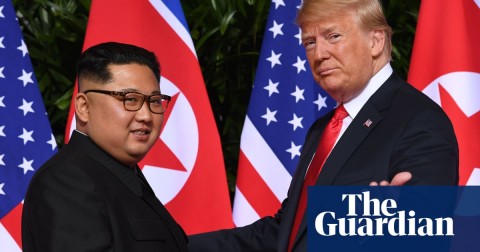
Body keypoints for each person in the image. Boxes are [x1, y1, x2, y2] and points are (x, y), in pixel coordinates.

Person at [188, 0, 458, 251]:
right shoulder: (322, 129)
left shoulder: (419, 121)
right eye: (309, 42)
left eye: (333, 36)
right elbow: (287, 233)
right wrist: (174, 244)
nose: (319, 54)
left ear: (376, 41)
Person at [22, 42, 188, 251]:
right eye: (130, 99)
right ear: (84, 107)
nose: (146, 115)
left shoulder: (121, 174)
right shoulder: (67, 180)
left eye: (154, 101)